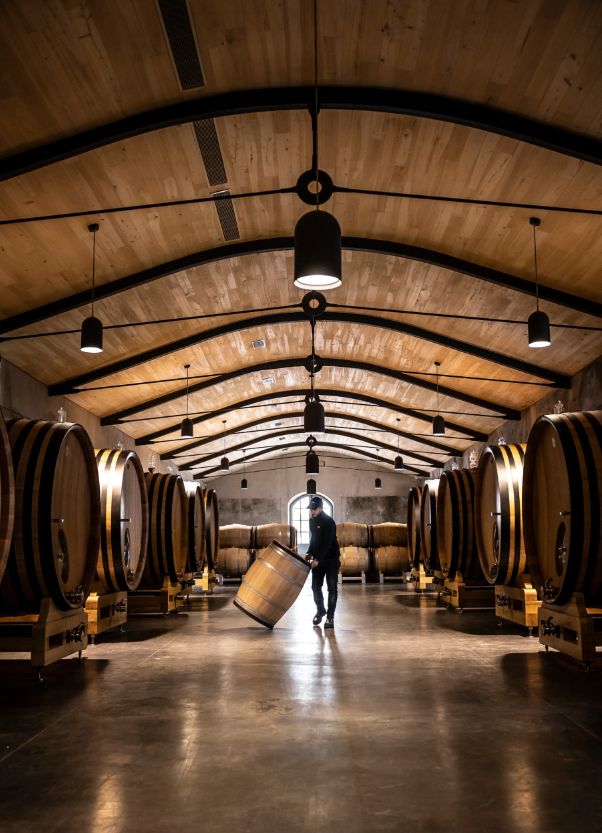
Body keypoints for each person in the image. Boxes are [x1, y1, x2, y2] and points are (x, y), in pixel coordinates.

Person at [305, 496, 340, 629]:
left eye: (314, 509)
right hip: (317, 560)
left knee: (331, 588)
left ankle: (330, 617)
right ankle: (321, 610)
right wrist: (309, 552)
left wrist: (317, 559)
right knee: (315, 587)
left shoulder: (329, 521)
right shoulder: (312, 521)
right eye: (311, 509)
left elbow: (327, 543)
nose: (312, 511)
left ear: (320, 508)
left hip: (331, 559)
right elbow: (314, 538)